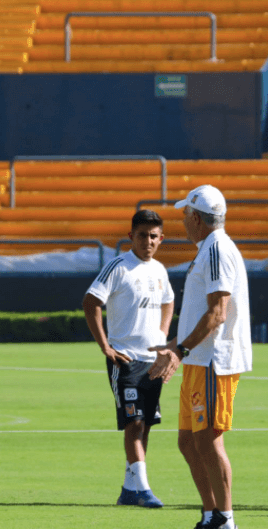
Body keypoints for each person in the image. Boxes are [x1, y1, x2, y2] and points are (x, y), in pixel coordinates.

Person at [149, 184, 251, 529]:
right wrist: (176, 346)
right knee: (189, 442)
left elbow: (217, 313)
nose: (182, 222)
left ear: (196, 217)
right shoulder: (210, 248)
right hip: (199, 358)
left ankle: (226, 521)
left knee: (208, 441)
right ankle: (210, 516)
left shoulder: (217, 248)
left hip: (213, 360)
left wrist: (180, 349)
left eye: (184, 216)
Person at [82, 209, 175, 508]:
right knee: (134, 423)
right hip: (124, 360)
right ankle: (143, 489)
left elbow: (169, 301)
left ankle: (129, 487)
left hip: (152, 361)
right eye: (141, 235)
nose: (147, 241)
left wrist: (162, 339)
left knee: (145, 424)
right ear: (130, 236)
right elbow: (91, 301)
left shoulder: (160, 270)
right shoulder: (119, 266)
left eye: (153, 236)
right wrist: (105, 346)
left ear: (161, 238)